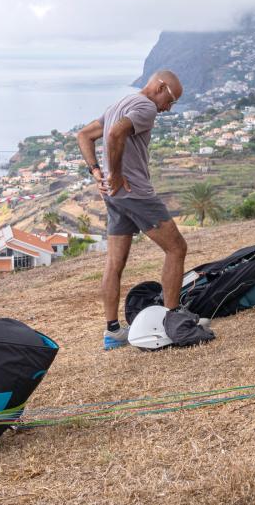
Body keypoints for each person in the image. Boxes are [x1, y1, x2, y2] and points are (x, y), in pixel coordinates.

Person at [76, 70, 187, 349]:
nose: (167, 109)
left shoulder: (120, 104)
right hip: (135, 193)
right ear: (160, 87)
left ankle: (113, 332)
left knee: (115, 262)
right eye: (170, 101)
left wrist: (96, 172)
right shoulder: (147, 107)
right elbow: (114, 134)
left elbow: (84, 135)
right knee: (176, 249)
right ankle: (173, 323)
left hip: (114, 197)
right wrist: (113, 173)